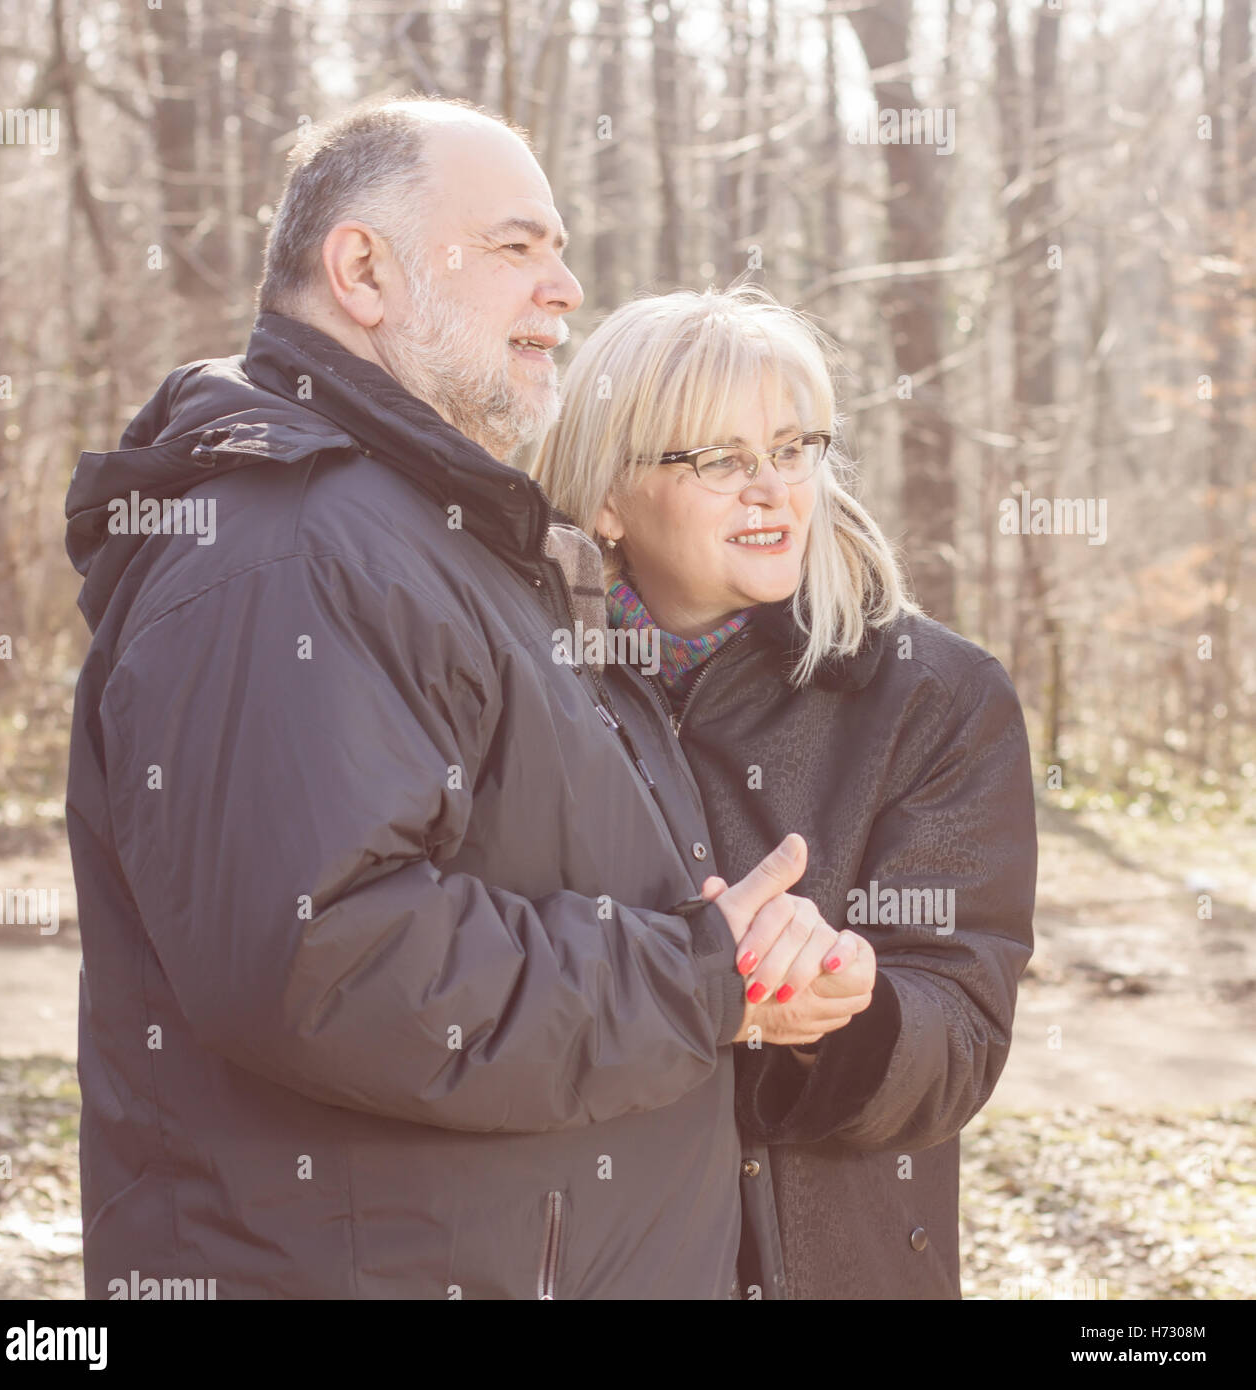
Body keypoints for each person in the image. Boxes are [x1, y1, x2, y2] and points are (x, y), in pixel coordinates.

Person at [62, 101, 847, 1300]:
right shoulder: (289, 551)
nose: (566, 287)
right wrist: (698, 979)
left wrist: (741, 960)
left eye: (562, 248)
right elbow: (327, 959)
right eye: (518, 247)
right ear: (363, 270)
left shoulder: (434, 537)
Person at [531, 283, 1038, 1299]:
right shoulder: (520, 677)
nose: (772, 488)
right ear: (604, 497)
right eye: (718, 459)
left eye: (794, 446)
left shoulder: (932, 695)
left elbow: (962, 1027)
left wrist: (847, 1009)